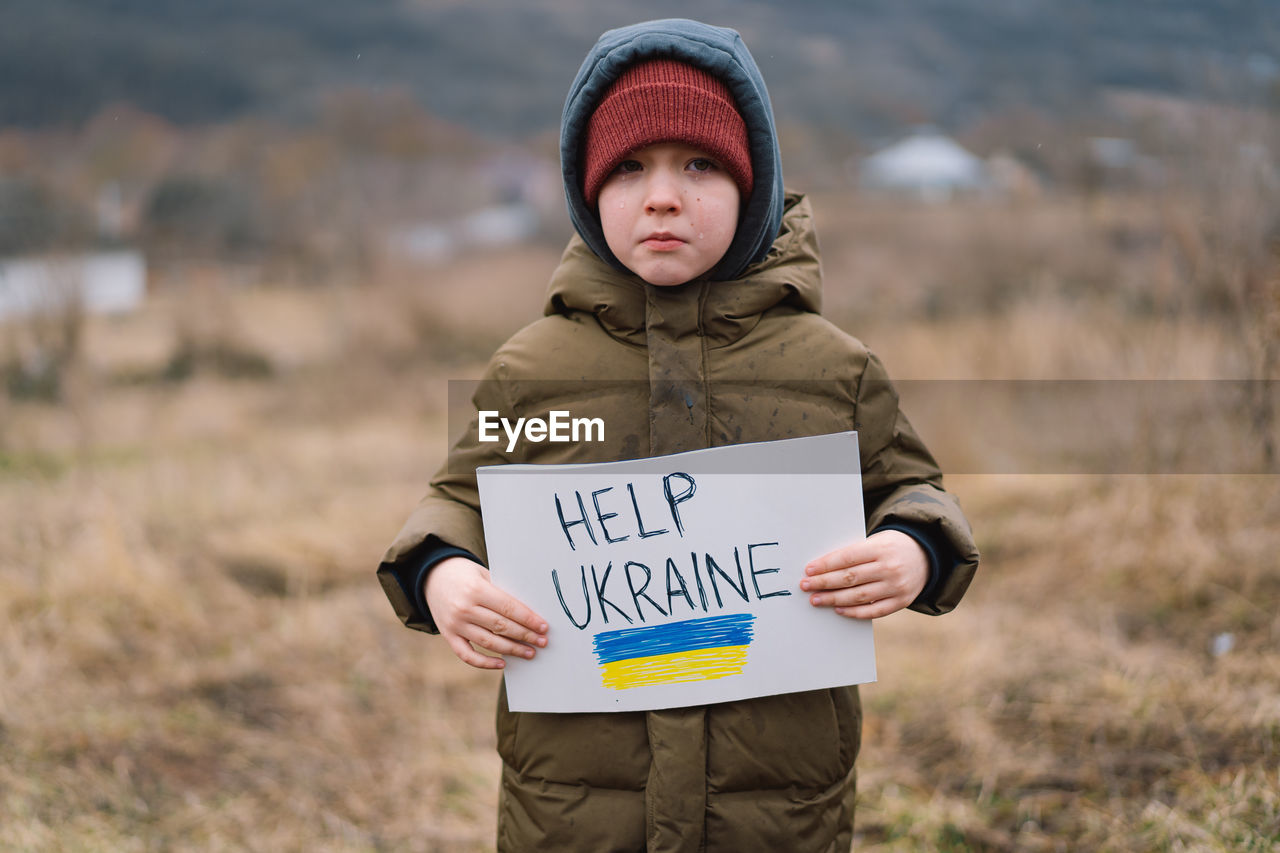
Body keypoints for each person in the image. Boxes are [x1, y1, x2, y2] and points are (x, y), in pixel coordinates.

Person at [376, 18, 978, 852]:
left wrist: (915, 548)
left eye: (698, 165)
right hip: (577, 808)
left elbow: (914, 488)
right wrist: (442, 573)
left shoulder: (833, 367)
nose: (663, 195)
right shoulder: (532, 370)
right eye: (629, 168)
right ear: (588, 195)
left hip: (776, 805)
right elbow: (455, 498)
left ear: (752, 184)